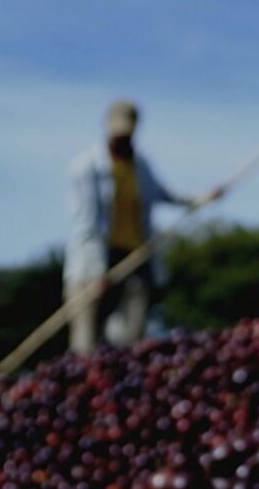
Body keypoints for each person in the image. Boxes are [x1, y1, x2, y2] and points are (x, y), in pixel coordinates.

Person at [64, 100, 204, 352]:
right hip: (94, 261)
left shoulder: (140, 166)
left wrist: (197, 200)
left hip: (134, 257)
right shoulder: (87, 166)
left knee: (133, 333)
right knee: (87, 337)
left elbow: (162, 193)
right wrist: (97, 271)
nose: (122, 140)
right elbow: (86, 224)